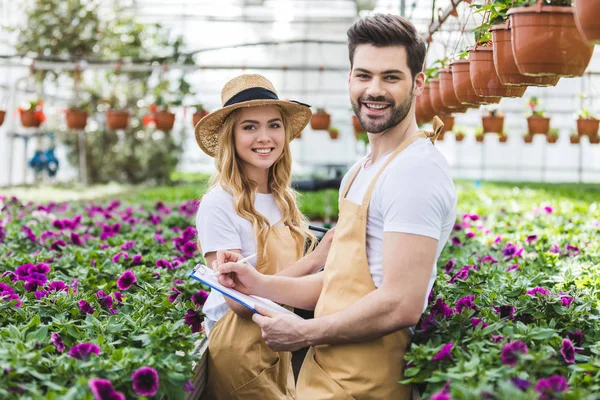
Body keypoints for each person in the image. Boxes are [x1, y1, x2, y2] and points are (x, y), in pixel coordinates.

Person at [212, 14, 458, 399]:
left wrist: (304, 332)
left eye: (391, 77)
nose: (374, 90)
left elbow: (401, 304)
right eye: (364, 75)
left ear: (418, 83)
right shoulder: (362, 170)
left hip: (363, 381)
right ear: (349, 80)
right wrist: (259, 284)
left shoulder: (415, 173)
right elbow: (340, 281)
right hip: (325, 373)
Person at [194, 73, 334, 399]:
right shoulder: (220, 203)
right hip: (240, 349)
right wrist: (316, 259)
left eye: (274, 125)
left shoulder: (282, 199)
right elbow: (239, 303)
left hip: (278, 345)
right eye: (249, 127)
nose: (265, 137)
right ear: (231, 136)